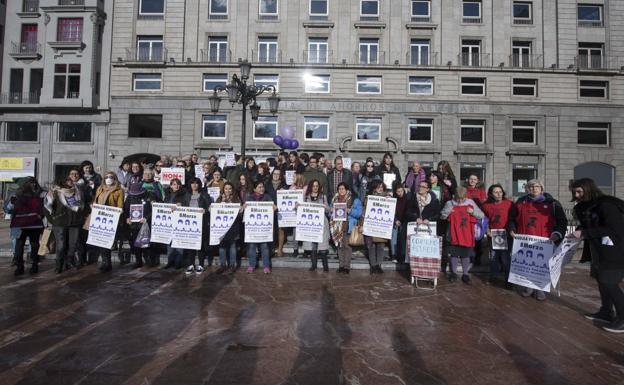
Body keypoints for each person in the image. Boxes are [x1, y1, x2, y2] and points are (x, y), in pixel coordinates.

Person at [570, 178, 624, 333]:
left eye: (580, 191)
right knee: (601, 280)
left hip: (614, 251)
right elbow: (589, 225)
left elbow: (614, 229)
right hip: (597, 251)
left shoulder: (606, 205)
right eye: (575, 192)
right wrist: (580, 231)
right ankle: (606, 311)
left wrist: (584, 233)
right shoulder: (584, 207)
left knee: (609, 282)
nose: (577, 195)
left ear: (589, 189)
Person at [509, 179, 567, 301]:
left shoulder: (553, 203)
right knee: (526, 264)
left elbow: (562, 221)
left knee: (542, 266)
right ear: (526, 189)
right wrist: (512, 229)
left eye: (536, 186)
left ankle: (540, 289)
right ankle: (528, 287)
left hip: (545, 241)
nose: (534, 188)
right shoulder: (520, 202)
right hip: (525, 240)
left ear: (542, 188)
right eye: (530, 186)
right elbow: (512, 219)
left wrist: (557, 234)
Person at [440, 186, 485, 284]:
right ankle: (453, 273)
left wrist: (472, 212)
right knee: (454, 254)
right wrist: (448, 212)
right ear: (454, 196)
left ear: (466, 196)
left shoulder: (470, 203)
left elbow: (481, 215)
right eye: (458, 198)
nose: (460, 201)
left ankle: (465, 274)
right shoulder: (449, 203)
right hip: (453, 234)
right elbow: (442, 216)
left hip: (466, 234)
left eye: (462, 198)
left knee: (466, 254)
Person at [44, 176, 85, 273]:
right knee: (61, 245)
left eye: (71, 180)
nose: (71, 181)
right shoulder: (55, 192)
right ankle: (59, 264)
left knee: (73, 244)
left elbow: (82, 206)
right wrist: (53, 220)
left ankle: (69, 261)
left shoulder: (77, 192)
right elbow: (47, 207)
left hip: (74, 222)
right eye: (68, 180)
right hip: (60, 222)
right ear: (63, 182)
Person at [10, 177, 45, 276]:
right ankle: (19, 266)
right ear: (26, 184)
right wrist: (12, 204)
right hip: (20, 225)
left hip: (34, 225)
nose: (33, 185)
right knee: (19, 246)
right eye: (31, 183)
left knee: (34, 245)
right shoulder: (17, 194)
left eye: (34, 183)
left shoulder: (40, 194)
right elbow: (9, 208)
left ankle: (34, 265)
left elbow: (43, 208)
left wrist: (41, 215)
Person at [482, 184, 515, 286]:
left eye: (500, 192)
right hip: (493, 235)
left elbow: (513, 219)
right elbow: (483, 220)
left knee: (506, 259)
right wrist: (486, 230)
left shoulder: (510, 204)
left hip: (506, 235)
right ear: (491, 194)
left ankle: (508, 280)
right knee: (493, 257)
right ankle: (493, 277)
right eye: (496, 192)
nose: (499, 194)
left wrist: (512, 230)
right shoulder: (486, 206)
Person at [91, 171, 124, 272]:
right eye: (106, 177)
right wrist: (93, 206)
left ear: (115, 179)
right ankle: (105, 261)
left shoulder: (119, 190)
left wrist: (118, 211)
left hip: (111, 218)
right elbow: (96, 201)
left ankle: (107, 263)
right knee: (100, 241)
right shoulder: (100, 189)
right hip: (99, 218)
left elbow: (120, 205)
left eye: (111, 177)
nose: (108, 179)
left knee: (107, 242)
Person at [124, 175, 159, 269]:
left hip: (146, 222)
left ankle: (151, 261)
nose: (135, 196)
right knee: (135, 243)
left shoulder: (150, 195)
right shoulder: (130, 197)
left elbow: (154, 209)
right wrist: (127, 218)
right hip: (134, 224)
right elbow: (126, 209)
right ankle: (138, 261)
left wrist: (147, 218)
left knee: (147, 243)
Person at [244, 181, 277, 274]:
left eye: (262, 187)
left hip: (264, 228)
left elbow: (273, 209)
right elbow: (244, 212)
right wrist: (244, 206)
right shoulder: (249, 197)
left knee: (265, 246)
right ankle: (251, 265)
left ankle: (266, 266)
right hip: (253, 228)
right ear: (254, 189)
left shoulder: (267, 197)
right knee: (251, 246)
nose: (261, 189)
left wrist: (274, 207)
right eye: (259, 187)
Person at [330, 182, 362, 274]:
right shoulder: (334, 199)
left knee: (347, 246)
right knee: (340, 247)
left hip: (348, 225)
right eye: (339, 189)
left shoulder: (354, 199)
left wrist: (350, 210)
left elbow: (359, 213)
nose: (341, 190)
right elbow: (330, 212)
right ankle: (341, 266)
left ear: (347, 189)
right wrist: (331, 211)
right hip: (337, 227)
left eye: (343, 188)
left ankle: (346, 267)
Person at [406, 180, 442, 261]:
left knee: (426, 250)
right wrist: (415, 218)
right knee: (414, 249)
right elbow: (407, 212)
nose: (420, 188)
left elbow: (438, 214)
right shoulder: (413, 198)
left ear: (427, 189)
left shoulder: (434, 200)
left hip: (428, 229)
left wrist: (429, 219)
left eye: (423, 187)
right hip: (415, 227)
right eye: (419, 186)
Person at [302, 179, 330, 272]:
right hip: (311, 225)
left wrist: (326, 207)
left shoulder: (323, 197)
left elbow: (328, 210)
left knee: (322, 246)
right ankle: (314, 265)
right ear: (311, 187)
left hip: (322, 224)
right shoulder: (306, 197)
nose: (315, 188)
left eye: (317, 186)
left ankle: (325, 266)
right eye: (313, 186)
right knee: (313, 246)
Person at [215, 182, 243, 274]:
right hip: (221, 228)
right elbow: (214, 210)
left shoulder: (236, 199)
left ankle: (232, 265)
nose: (228, 190)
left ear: (232, 190)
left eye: (230, 188)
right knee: (222, 247)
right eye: (226, 188)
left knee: (232, 246)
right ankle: (223, 265)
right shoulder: (219, 199)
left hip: (233, 227)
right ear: (223, 189)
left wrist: (232, 203)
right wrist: (222, 201)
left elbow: (240, 213)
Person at [185, 177, 212, 274]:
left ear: (199, 185)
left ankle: (200, 264)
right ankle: (190, 265)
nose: (194, 185)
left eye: (196, 183)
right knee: (190, 245)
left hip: (201, 223)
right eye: (192, 183)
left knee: (200, 245)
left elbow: (210, 207)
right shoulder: (187, 195)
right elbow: (183, 207)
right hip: (189, 225)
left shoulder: (204, 195)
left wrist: (206, 210)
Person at [163, 178, 190, 270]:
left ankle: (178, 262)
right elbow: (163, 205)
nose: (176, 186)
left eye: (178, 184)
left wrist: (181, 205)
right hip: (169, 221)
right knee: (169, 242)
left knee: (178, 241)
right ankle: (170, 261)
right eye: (174, 184)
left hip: (179, 221)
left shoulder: (185, 194)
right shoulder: (168, 194)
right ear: (171, 185)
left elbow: (187, 205)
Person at [364, 180, 390, 274]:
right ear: (374, 188)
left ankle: (379, 265)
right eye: (378, 187)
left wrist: (389, 200)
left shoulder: (388, 198)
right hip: (370, 224)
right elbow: (364, 211)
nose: (380, 189)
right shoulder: (368, 198)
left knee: (380, 245)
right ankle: (373, 265)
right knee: (371, 245)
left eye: (382, 187)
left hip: (382, 226)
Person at [464, 173, 487, 266]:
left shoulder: (481, 190)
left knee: (478, 238)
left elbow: (484, 202)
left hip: (477, 216)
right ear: (468, 180)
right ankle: (469, 257)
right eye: (471, 179)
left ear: (477, 181)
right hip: (467, 216)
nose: (472, 181)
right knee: (468, 237)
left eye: (474, 179)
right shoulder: (464, 189)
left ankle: (478, 257)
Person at [265, 168, 288, 257]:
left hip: (281, 211)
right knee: (270, 230)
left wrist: (285, 191)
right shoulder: (267, 184)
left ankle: (280, 249)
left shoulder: (284, 185)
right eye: (274, 173)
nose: (276, 175)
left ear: (280, 176)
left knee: (281, 230)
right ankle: (271, 248)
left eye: (278, 174)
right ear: (272, 174)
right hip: (269, 210)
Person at [391, 182, 411, 264]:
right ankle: (394, 254)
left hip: (404, 220)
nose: (400, 193)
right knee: (393, 236)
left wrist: (402, 221)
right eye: (398, 191)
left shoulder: (407, 199)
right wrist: (396, 220)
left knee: (403, 237)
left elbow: (408, 211)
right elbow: (392, 211)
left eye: (401, 191)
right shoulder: (394, 199)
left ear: (404, 190)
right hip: (396, 220)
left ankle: (403, 255)